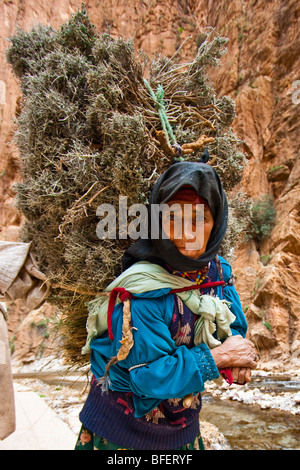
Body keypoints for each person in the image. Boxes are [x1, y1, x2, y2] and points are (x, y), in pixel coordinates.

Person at [75, 161, 257, 450]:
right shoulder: (141, 289)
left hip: (181, 426)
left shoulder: (218, 271)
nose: (188, 232)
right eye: (175, 217)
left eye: (201, 219)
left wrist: (236, 351)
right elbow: (149, 376)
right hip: (119, 433)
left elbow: (233, 323)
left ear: (217, 221)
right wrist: (220, 358)